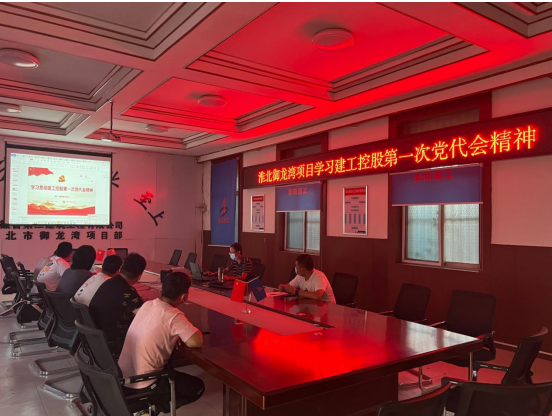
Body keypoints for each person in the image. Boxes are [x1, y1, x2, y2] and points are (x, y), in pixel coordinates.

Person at [118, 271, 204, 411]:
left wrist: (175, 334)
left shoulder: (148, 305)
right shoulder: (173, 315)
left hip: (122, 377)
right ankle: (150, 410)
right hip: (145, 382)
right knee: (197, 387)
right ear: (184, 296)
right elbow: (196, 341)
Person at [89, 252, 146, 354]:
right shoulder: (127, 291)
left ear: (121, 268)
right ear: (140, 275)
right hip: (112, 341)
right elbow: (145, 316)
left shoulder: (109, 282)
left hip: (96, 337)